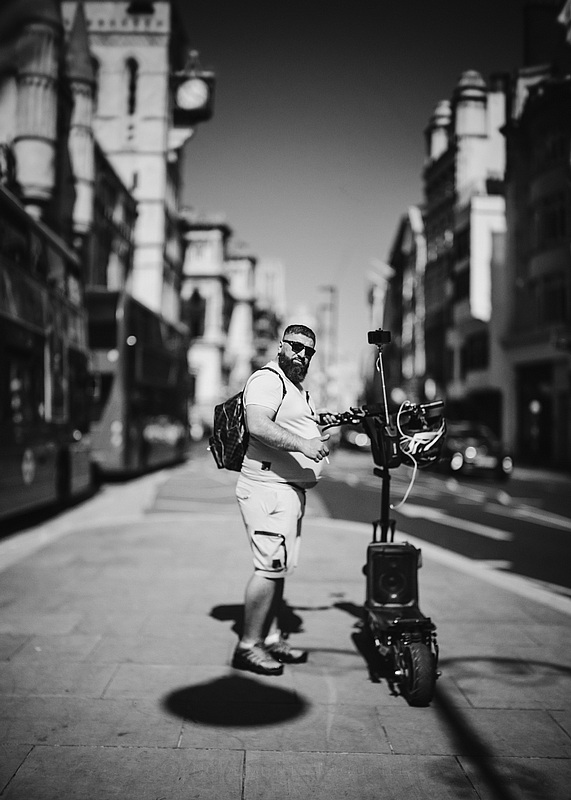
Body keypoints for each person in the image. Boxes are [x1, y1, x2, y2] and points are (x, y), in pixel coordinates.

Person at [232, 324, 334, 676]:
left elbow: (296, 422)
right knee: (269, 569)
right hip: (267, 488)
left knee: (279, 569)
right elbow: (258, 424)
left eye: (309, 351)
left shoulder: (296, 388)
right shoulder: (267, 379)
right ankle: (247, 646)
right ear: (281, 346)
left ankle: (271, 637)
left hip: (286, 490)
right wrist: (305, 445)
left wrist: (321, 426)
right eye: (296, 347)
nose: (302, 355)